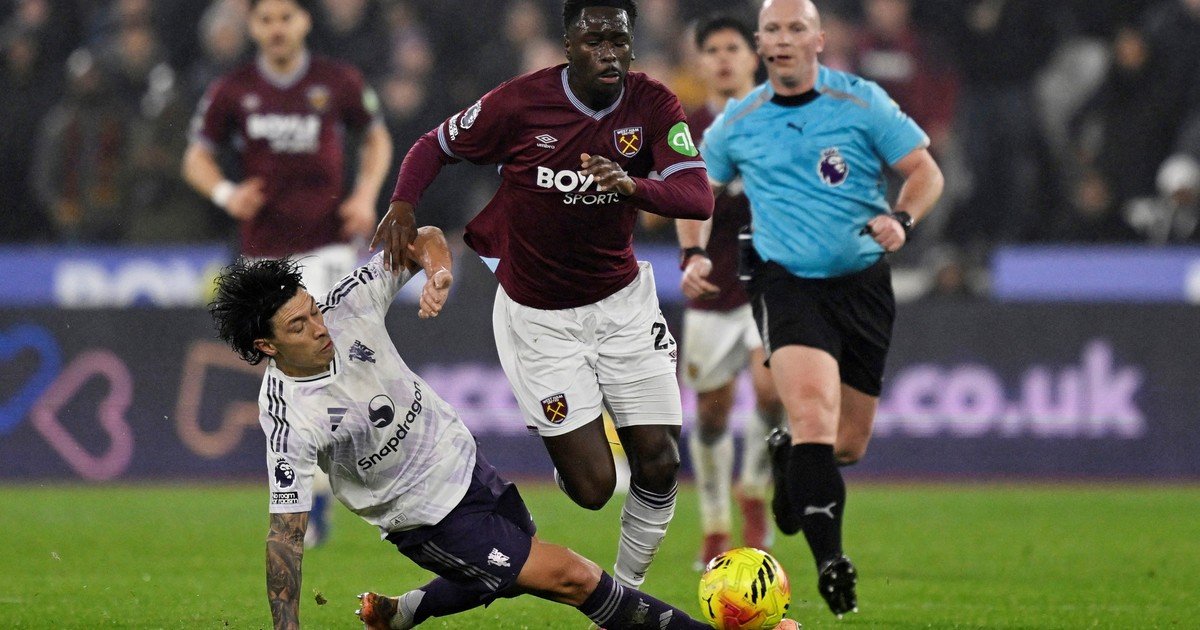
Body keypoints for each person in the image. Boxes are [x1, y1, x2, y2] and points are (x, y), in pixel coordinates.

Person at [206, 233, 799, 630]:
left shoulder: (347, 305)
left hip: (468, 465)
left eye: (312, 309)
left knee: (507, 572)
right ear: (266, 346)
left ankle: (402, 612)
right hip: (425, 516)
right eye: (299, 325)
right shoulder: (289, 416)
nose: (319, 326)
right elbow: (285, 536)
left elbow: (422, 239)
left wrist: (437, 272)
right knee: (570, 576)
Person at [370, 0, 714, 590]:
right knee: (593, 489)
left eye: (618, 41)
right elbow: (434, 145)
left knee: (660, 460)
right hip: (539, 316)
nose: (608, 53)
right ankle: (573, 456)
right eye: (594, 41)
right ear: (568, 45)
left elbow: (698, 196)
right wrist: (403, 204)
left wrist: (633, 186)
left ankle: (626, 597)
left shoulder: (653, 103)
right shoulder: (521, 102)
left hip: (623, 304)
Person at [698, 0, 945, 617]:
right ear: (760, 44)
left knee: (847, 444)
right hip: (785, 283)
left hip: (862, 285)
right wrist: (690, 252)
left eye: (796, 28)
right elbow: (693, 190)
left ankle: (789, 461)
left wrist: (902, 219)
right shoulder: (737, 122)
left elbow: (925, 172)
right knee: (812, 416)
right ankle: (831, 562)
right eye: (773, 30)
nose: (783, 39)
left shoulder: (861, 102)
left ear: (819, 39)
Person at [183, 0, 394, 546]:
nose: (277, 28)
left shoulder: (337, 81)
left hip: (328, 250)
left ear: (305, 21)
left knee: (332, 377)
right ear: (252, 26)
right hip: (265, 261)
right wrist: (226, 193)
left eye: (286, 17)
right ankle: (310, 498)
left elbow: (376, 137)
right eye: (266, 19)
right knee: (291, 388)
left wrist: (365, 195)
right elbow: (195, 157)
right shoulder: (233, 89)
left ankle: (329, 494)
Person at [675, 15, 784, 569]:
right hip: (713, 287)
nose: (722, 58)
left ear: (753, 57)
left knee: (771, 392)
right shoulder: (684, 129)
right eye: (712, 49)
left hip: (772, 283)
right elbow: (664, 206)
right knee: (713, 414)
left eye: (732, 48)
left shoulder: (779, 118)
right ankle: (716, 525)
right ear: (700, 62)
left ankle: (754, 493)